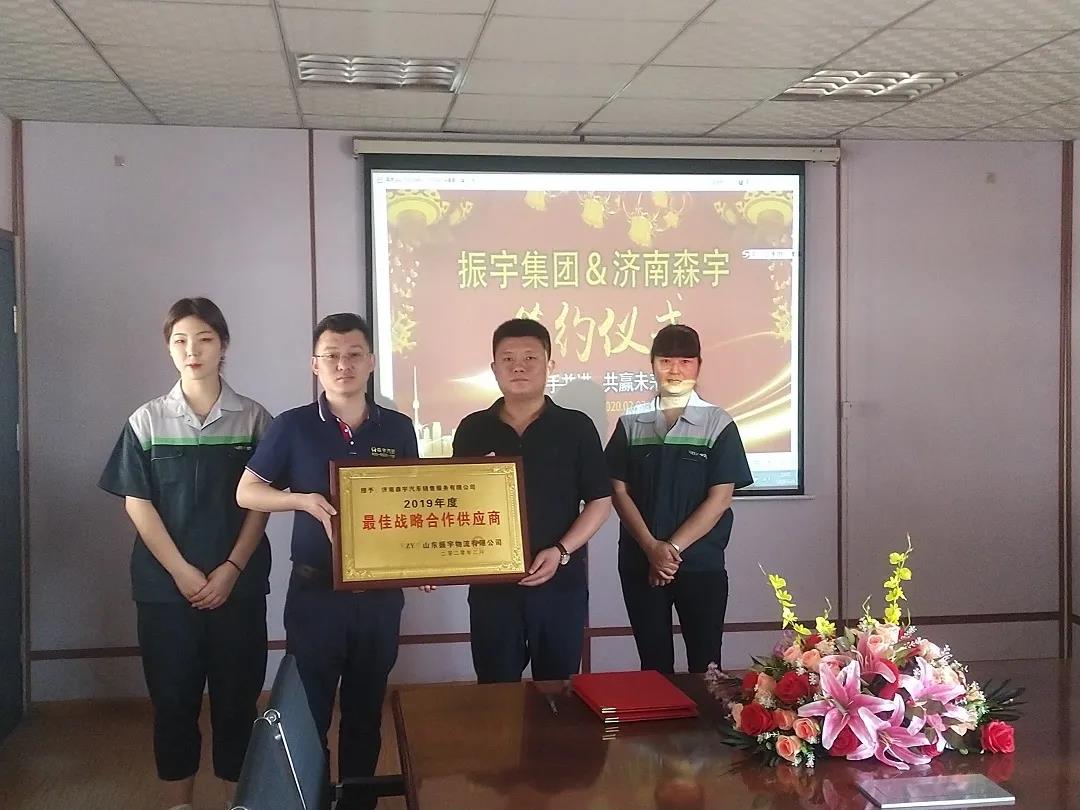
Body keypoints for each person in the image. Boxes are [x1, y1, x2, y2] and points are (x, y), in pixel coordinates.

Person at [236, 313, 417, 810]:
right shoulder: (292, 426)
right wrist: (302, 500)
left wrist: (423, 558)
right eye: (332, 355)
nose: (343, 364)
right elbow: (247, 491)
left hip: (379, 598)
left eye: (354, 354)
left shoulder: (397, 428)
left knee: (365, 712)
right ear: (315, 365)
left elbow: (414, 502)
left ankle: (357, 803)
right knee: (309, 714)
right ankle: (311, 801)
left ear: (372, 362)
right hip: (316, 596)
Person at [98, 297, 272, 810]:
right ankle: (180, 803)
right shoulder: (147, 420)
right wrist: (180, 572)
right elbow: (137, 502)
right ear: (169, 348)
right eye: (180, 341)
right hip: (165, 592)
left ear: (223, 346)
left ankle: (238, 801)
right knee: (173, 702)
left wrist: (231, 569)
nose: (192, 350)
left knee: (238, 702)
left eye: (204, 339)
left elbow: (261, 503)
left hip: (237, 588)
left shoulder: (254, 418)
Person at [452, 318, 611, 683]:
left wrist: (561, 551)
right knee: (495, 692)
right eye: (507, 359)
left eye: (530, 358)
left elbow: (600, 502)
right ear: (494, 368)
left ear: (549, 365)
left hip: (560, 583)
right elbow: (457, 502)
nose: (518, 367)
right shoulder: (473, 428)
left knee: (558, 690)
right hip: (492, 588)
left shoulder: (576, 427)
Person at [605, 324, 753, 674]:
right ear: (652, 364)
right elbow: (618, 490)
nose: (675, 370)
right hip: (641, 564)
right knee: (653, 667)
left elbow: (720, 499)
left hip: (700, 564)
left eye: (685, 362)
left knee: (707, 666)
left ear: (698, 365)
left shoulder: (718, 423)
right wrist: (651, 548)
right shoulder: (631, 422)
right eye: (666, 361)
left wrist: (669, 550)